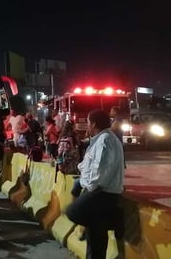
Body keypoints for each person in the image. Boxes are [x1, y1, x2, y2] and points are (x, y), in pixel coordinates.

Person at [66, 109, 125, 259]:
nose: (86, 126)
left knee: (73, 211)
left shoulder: (105, 140)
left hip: (101, 193)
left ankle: (113, 219)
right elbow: (89, 166)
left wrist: (84, 185)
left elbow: (99, 172)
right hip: (100, 192)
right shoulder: (102, 139)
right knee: (96, 236)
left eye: (87, 122)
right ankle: (108, 220)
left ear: (93, 123)